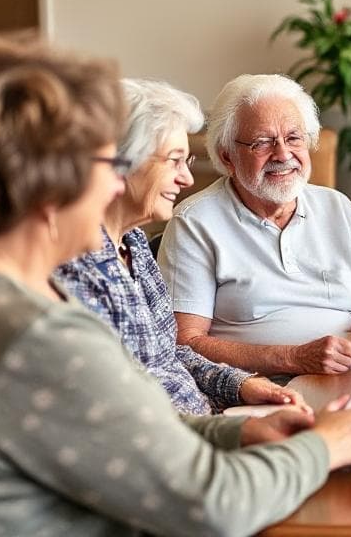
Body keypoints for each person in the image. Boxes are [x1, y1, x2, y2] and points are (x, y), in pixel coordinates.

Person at [0, 32, 351, 536]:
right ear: (50, 180)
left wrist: (240, 431)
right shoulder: (38, 332)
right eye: (106, 163)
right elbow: (213, 506)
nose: (113, 186)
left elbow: (121, 419)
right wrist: (327, 446)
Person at [54, 79, 303, 415]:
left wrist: (241, 385)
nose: (186, 179)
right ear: (121, 162)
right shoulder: (74, 267)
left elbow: (166, 353)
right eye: (174, 161)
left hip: (207, 423)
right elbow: (119, 407)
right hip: (175, 446)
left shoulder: (133, 243)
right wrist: (232, 434)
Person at [158, 74, 351, 377]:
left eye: (293, 138)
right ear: (228, 156)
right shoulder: (194, 222)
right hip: (261, 389)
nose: (283, 154)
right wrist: (293, 358)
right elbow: (183, 343)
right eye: (262, 143)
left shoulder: (337, 207)